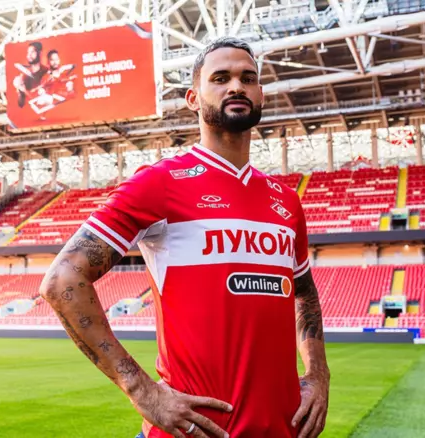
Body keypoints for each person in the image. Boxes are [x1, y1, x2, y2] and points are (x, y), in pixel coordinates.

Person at [39, 37, 330, 438]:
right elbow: (62, 280)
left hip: (282, 430)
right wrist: (142, 391)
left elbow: (304, 292)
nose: (236, 87)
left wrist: (318, 374)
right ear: (193, 98)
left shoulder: (286, 201)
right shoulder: (159, 184)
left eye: (248, 78)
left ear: (260, 95)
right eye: (221, 78)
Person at [13, 41, 49, 108]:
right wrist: (20, 89)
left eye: (32, 52)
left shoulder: (47, 71)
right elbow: (20, 104)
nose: (29, 55)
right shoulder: (23, 75)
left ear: (40, 53)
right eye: (28, 52)